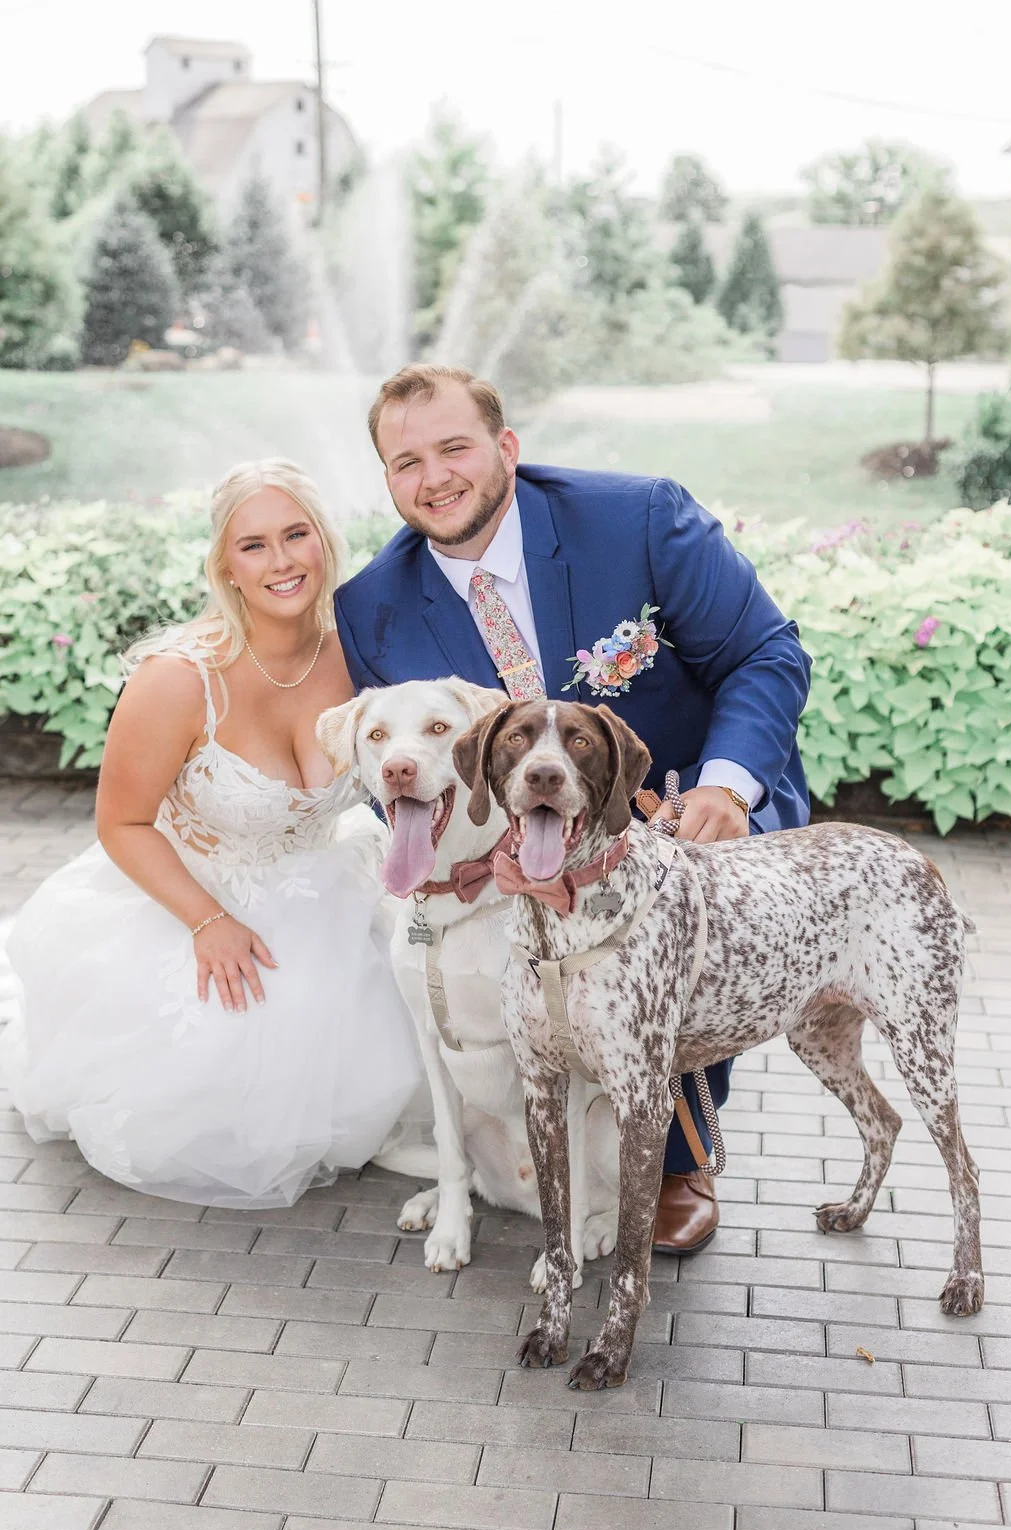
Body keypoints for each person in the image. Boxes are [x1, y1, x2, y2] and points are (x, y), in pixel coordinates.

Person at [335, 365, 812, 1254]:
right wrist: (468, 857)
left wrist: (725, 785)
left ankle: (674, 1158)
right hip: (512, 836)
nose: (434, 478)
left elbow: (765, 653)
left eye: (454, 449)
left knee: (668, 960)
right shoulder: (372, 605)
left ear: (506, 447)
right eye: (406, 463)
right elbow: (392, 763)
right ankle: (526, 1139)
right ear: (387, 480)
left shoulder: (637, 520)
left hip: (682, 803)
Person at [2, 459, 422, 1208]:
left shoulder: (363, 657)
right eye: (254, 544)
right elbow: (121, 821)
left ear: (324, 542)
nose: (283, 560)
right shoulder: (177, 678)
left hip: (332, 889)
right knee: (220, 1099)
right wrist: (208, 922)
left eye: (297, 535)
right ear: (225, 565)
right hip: (195, 894)